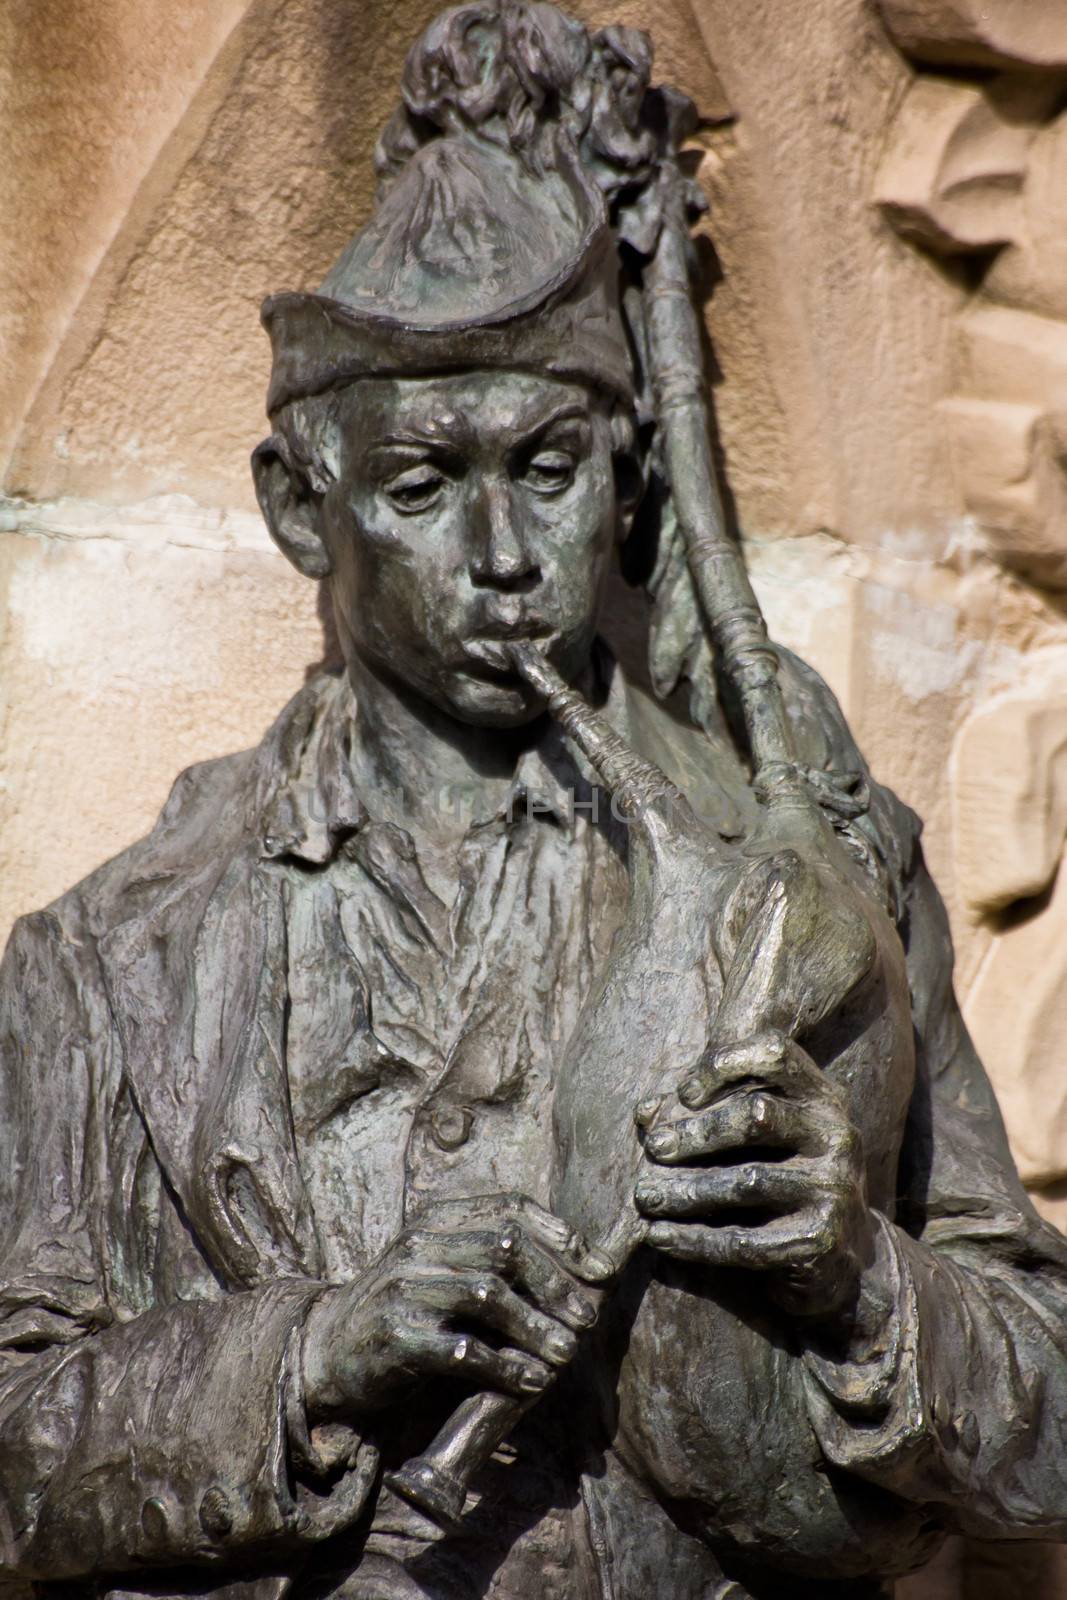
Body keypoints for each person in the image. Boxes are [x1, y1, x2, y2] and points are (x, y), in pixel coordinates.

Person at [1, 6, 1065, 1598]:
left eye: (552, 472)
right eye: (424, 488)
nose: (503, 557)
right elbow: (16, 1450)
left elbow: (1049, 1425)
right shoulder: (112, 956)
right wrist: (319, 1353)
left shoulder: (815, 869)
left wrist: (855, 1276)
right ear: (305, 509)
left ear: (628, 475)